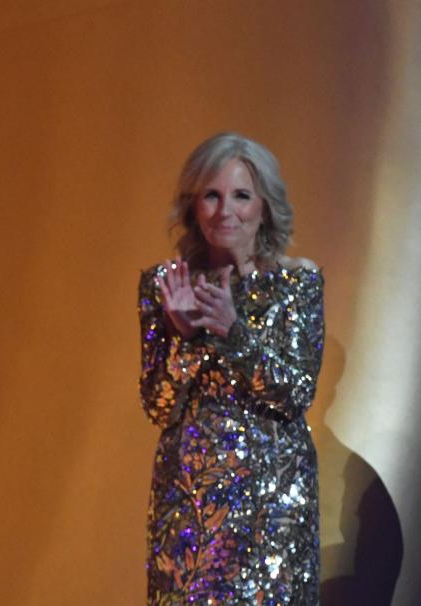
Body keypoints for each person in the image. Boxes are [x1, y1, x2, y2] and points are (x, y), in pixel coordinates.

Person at [139, 133, 324, 604]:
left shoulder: (296, 282)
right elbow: (158, 405)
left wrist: (233, 332)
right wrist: (184, 340)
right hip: (191, 500)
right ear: (193, 206)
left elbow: (296, 392)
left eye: (241, 195)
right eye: (211, 195)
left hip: (274, 500)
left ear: (264, 206)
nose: (226, 211)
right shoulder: (165, 284)